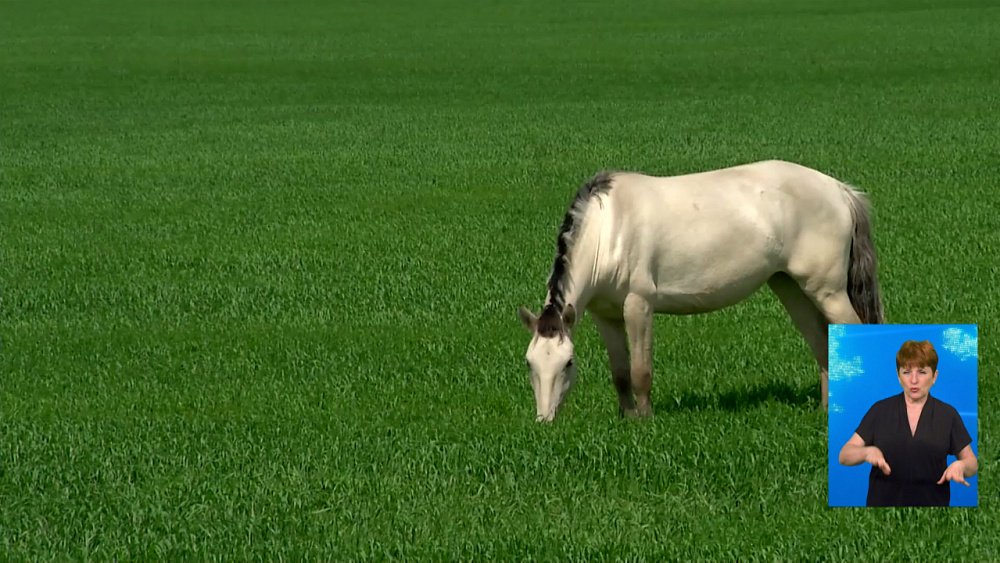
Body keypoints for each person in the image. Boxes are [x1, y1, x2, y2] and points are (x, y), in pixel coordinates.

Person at [838, 340, 978, 507]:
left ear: (934, 376)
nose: (913, 380)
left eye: (921, 372)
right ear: (898, 376)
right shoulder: (880, 410)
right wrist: (867, 452)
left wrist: (961, 466)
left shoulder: (948, 415)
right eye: (906, 372)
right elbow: (844, 455)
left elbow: (972, 463)